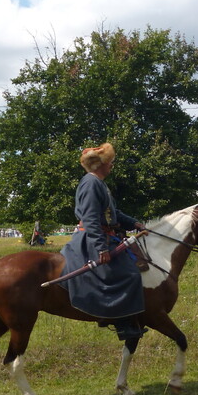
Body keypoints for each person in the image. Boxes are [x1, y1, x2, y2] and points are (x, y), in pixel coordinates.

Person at [59, 143, 147, 340]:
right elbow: (90, 218)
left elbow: (114, 214)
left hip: (103, 235)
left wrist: (135, 223)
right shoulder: (91, 183)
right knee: (130, 274)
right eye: (110, 162)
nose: (112, 166)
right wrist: (100, 248)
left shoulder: (99, 183)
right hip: (90, 239)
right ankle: (121, 323)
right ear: (101, 164)